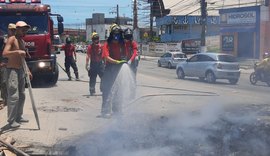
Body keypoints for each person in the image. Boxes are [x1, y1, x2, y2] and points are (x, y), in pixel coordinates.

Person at [3, 21, 32, 128]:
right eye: (23, 29)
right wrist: (17, 52)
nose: (25, 31)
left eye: (26, 30)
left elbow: (23, 58)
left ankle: (19, 116)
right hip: (12, 70)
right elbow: (5, 53)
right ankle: (11, 120)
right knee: (14, 96)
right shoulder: (12, 39)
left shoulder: (22, 41)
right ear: (17, 29)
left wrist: (28, 70)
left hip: (21, 69)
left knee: (22, 95)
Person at [99, 23, 128, 118]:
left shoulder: (122, 44)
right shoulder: (106, 45)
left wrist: (125, 60)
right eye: (114, 34)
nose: (116, 37)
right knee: (107, 89)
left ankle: (117, 110)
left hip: (118, 68)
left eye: (118, 34)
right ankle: (105, 111)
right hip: (109, 68)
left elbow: (125, 54)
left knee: (118, 90)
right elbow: (106, 57)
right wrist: (116, 62)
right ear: (111, 35)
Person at [0, 23, 16, 107]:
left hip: (5, 63)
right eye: (11, 30)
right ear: (8, 30)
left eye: (14, 30)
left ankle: (4, 100)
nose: (13, 31)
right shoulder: (4, 39)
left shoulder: (11, 40)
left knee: (4, 82)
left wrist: (4, 62)